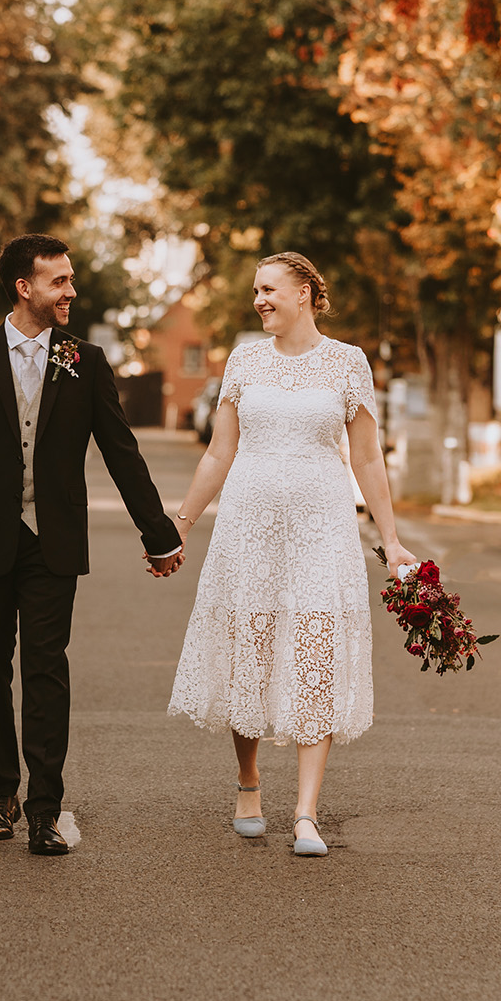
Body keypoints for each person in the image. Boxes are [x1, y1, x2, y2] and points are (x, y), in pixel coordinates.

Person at [0, 233, 185, 855]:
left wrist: (159, 532)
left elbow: (121, 452)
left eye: (70, 279)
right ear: (24, 287)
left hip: (52, 543)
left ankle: (44, 808)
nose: (71, 291)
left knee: (45, 669)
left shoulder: (84, 360)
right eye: (59, 281)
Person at [167, 251, 416, 857]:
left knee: (315, 648)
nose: (260, 299)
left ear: (305, 292)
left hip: (322, 529)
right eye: (256, 290)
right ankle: (249, 784)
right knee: (250, 645)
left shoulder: (346, 363)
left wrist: (391, 538)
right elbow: (219, 454)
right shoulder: (244, 360)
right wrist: (179, 521)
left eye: (270, 289)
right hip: (248, 528)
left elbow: (365, 458)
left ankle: (306, 812)